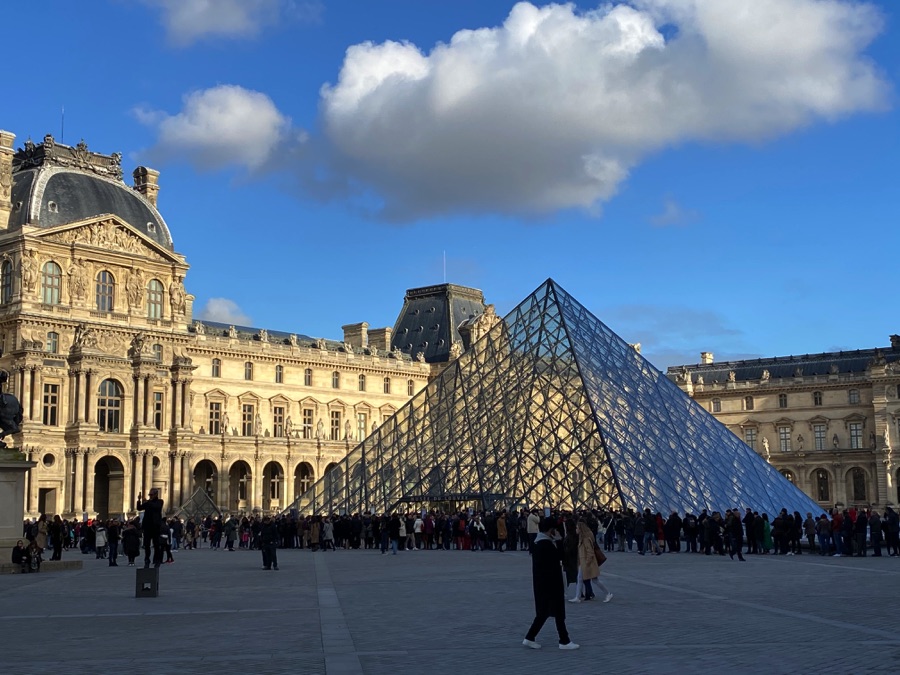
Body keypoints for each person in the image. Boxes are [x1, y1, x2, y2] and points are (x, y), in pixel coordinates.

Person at [522, 517, 579, 651]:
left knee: (543, 613)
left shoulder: (538, 542)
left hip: (542, 583)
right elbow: (560, 557)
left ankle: (530, 637)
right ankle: (564, 641)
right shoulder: (546, 544)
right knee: (558, 612)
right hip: (551, 583)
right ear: (551, 530)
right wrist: (559, 541)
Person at [570, 520, 613, 603]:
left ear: (580, 529)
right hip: (584, 562)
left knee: (594, 580)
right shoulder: (583, 538)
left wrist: (587, 562)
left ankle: (608, 593)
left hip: (586, 562)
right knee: (581, 579)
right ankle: (577, 597)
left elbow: (590, 552)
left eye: (577, 528)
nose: (576, 529)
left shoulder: (585, 539)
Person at [136, 488, 164, 567]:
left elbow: (156, 507)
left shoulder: (160, 501)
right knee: (147, 545)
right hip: (147, 526)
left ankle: (157, 560)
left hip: (155, 526)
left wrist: (147, 502)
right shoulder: (148, 503)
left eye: (151, 495)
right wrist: (139, 500)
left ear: (156, 494)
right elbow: (139, 508)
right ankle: (147, 559)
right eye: (149, 495)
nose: (150, 496)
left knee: (156, 544)